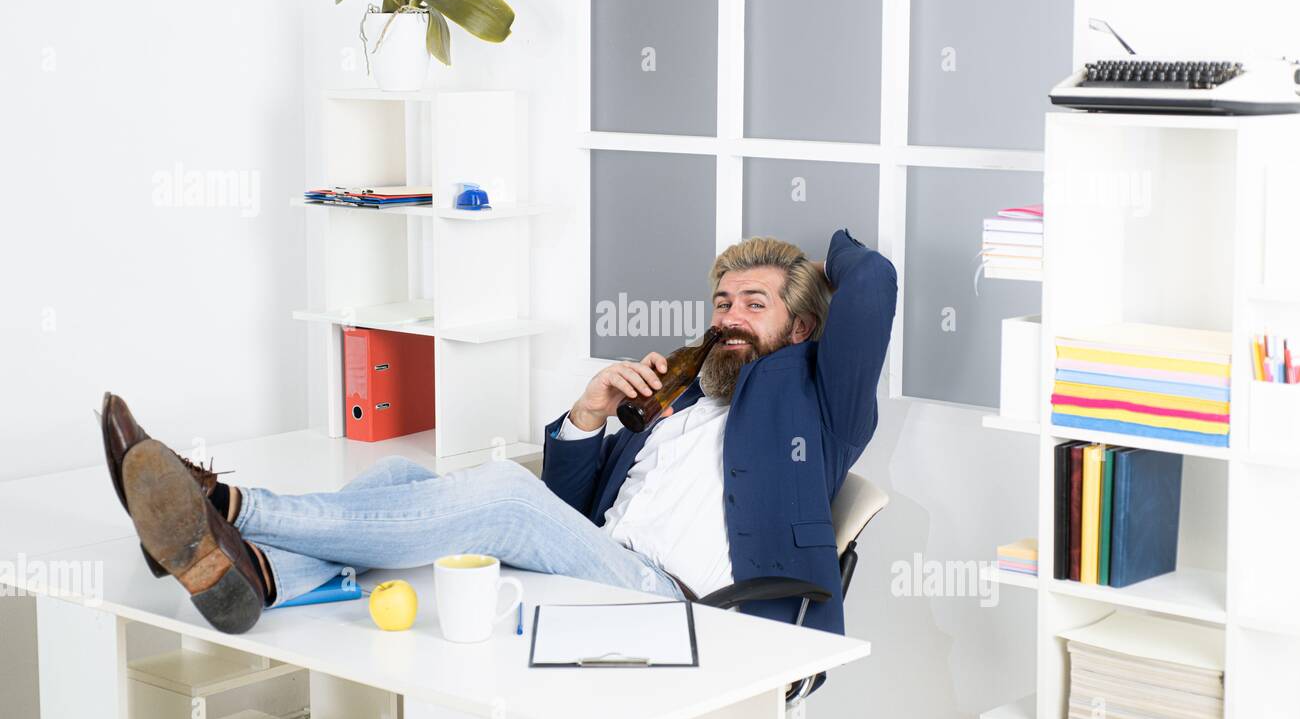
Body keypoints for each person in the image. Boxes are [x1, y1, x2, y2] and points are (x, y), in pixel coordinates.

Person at [102, 228, 897, 638]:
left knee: (503, 500)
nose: (728, 318)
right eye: (722, 301)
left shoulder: (820, 403)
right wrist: (588, 416)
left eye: (754, 303)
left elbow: (877, 281)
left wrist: (827, 251)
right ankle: (255, 575)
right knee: (402, 481)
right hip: (603, 565)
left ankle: (229, 506)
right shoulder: (680, 397)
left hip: (690, 607)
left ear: (801, 327)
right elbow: (567, 510)